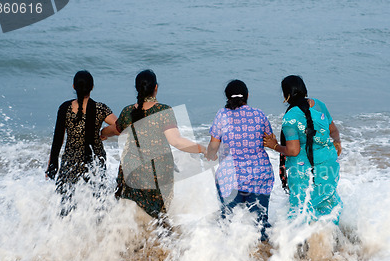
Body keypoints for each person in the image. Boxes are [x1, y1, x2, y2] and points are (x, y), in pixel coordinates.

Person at [101, 69, 206, 219]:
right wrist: (202, 148)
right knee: (159, 217)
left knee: (129, 215)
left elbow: (115, 130)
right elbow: (176, 141)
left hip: (132, 172)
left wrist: (101, 134)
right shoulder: (164, 111)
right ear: (155, 87)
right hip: (158, 173)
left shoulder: (128, 111)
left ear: (137, 88)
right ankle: (161, 240)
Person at [263, 75, 342, 224]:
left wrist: (274, 146)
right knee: (328, 204)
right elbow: (333, 131)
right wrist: (337, 142)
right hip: (328, 165)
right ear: (304, 90)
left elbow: (293, 151)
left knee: (302, 207)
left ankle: (301, 243)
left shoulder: (290, 118)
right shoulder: (319, 105)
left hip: (303, 171)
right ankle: (330, 239)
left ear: (286, 96)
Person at [206, 79, 274, 242]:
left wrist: (211, 156)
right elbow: (271, 141)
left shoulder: (222, 115)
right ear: (247, 96)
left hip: (231, 179)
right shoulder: (259, 114)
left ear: (227, 97)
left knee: (228, 224)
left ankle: (229, 258)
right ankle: (264, 256)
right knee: (260, 224)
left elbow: (213, 148)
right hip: (259, 177)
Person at [46, 70, 117, 201]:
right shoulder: (100, 108)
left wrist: (52, 163)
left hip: (71, 161)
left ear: (74, 86)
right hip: (95, 160)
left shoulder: (65, 108)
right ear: (92, 87)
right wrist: (104, 132)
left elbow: (58, 139)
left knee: (66, 201)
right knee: (97, 200)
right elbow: (120, 127)